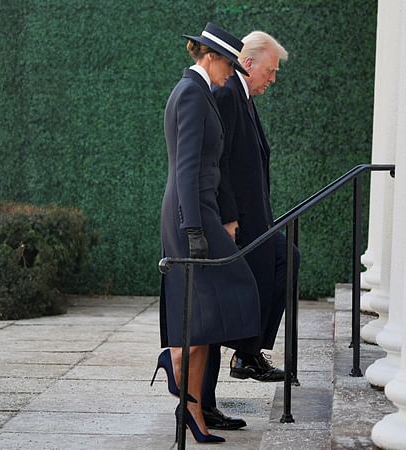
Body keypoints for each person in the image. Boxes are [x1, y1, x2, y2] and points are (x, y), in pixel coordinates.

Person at [153, 22, 260, 444]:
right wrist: (194, 227)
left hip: (198, 211)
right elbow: (185, 168)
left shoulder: (200, 93)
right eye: (230, 66)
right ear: (211, 58)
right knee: (229, 294)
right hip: (190, 216)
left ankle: (193, 413)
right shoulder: (192, 94)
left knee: (201, 318)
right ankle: (174, 358)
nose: (231, 75)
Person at [200, 31, 300, 429]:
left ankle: (248, 352)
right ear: (249, 62)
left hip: (257, 219)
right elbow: (218, 161)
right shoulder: (227, 95)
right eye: (271, 71)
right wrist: (228, 216)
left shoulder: (244, 98)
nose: (272, 79)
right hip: (237, 223)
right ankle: (238, 363)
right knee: (214, 309)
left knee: (285, 258)